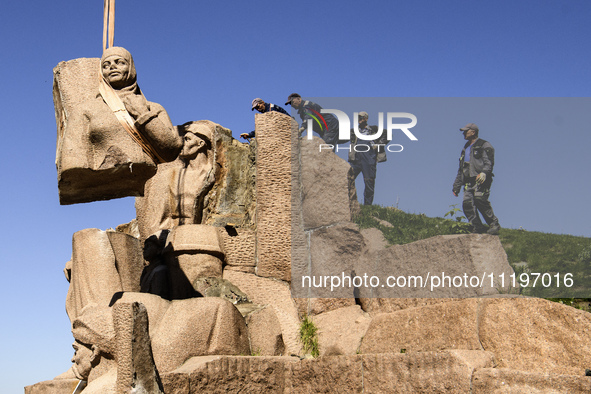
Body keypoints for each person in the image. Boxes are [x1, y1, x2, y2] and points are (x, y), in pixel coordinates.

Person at [452, 123, 500, 235]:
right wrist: (456, 186)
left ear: (473, 132)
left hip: (480, 179)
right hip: (468, 181)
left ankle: (494, 224)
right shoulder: (465, 148)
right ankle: (477, 227)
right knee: (467, 204)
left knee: (480, 200)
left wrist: (484, 173)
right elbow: (461, 168)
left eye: (466, 131)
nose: (464, 133)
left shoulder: (484, 145)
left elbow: (489, 162)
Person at [348, 112, 387, 205]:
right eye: (358, 118)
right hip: (356, 159)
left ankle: (367, 206)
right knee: (347, 178)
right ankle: (347, 202)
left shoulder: (373, 129)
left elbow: (387, 134)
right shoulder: (353, 131)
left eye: (361, 117)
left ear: (366, 118)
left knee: (369, 182)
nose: (359, 119)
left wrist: (378, 145)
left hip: (369, 159)